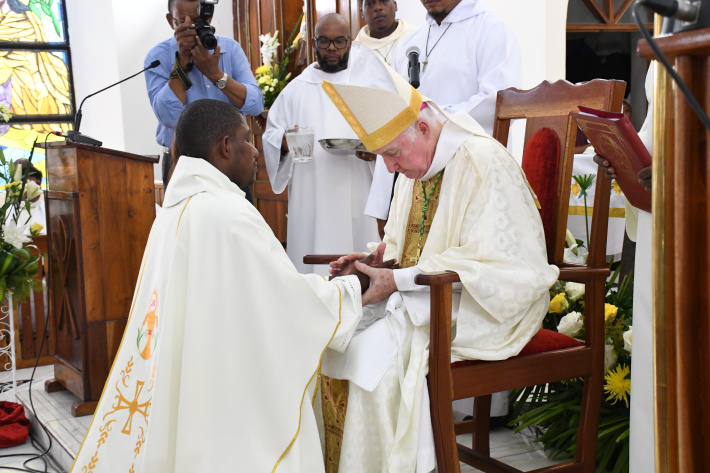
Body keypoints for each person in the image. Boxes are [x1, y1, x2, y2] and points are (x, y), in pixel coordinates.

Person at [70, 99, 366, 473]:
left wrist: (326, 283)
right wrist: (351, 288)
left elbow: (261, 293)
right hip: (223, 394)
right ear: (226, 146)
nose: (256, 150)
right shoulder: (229, 213)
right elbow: (287, 306)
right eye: (247, 138)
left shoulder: (172, 211)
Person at [319, 69, 559, 472]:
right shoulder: (418, 167)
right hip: (425, 297)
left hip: (481, 306)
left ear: (425, 127)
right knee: (332, 343)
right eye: (384, 158)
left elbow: (503, 266)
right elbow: (404, 248)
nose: (391, 169)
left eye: (393, 154)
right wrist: (371, 265)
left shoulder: (483, 162)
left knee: (366, 362)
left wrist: (395, 280)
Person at [263, 13, 386, 275]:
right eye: (324, 41)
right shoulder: (296, 90)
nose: (332, 48)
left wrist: (375, 151)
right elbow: (270, 135)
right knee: (313, 263)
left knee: (359, 255)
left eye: (339, 41)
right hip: (312, 192)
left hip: (357, 187)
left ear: (350, 43)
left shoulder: (365, 85)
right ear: (314, 43)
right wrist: (285, 142)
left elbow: (387, 136)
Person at [593, 67, 654, 473]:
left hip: (690, 192)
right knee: (655, 363)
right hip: (659, 206)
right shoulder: (666, 31)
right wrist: (624, 158)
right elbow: (654, 134)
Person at [145, 0, 263, 188]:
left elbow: (255, 104)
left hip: (229, 159)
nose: (190, 28)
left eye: (198, 21)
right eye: (182, 21)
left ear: (209, 17)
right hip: (182, 162)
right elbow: (169, 117)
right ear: (170, 21)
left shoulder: (229, 49)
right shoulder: (157, 57)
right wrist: (181, 61)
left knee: (236, 217)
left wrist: (215, 74)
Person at [355, 0, 415, 66]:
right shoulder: (356, 51)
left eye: (384, 0)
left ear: (395, 5)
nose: (378, 8)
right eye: (369, 3)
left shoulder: (416, 37)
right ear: (362, 13)